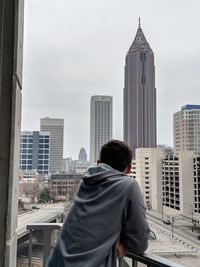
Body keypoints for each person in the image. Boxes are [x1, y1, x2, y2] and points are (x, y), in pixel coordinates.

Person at [47, 140, 149, 267]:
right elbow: (140, 243)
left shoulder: (85, 182)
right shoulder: (129, 186)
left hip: (56, 261)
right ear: (129, 168)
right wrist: (123, 243)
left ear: (98, 163)